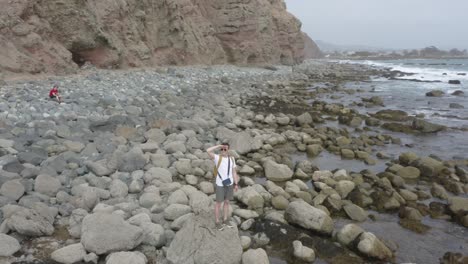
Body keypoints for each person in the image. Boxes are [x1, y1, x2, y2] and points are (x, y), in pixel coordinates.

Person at [207, 143, 239, 230]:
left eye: (225, 149)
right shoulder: (217, 158)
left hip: (229, 183)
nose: (223, 151)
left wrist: (236, 184)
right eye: (222, 149)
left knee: (227, 202)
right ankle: (217, 221)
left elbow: (234, 172)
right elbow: (208, 150)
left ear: (228, 150)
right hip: (220, 184)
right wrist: (218, 146)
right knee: (218, 203)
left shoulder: (232, 159)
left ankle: (225, 220)